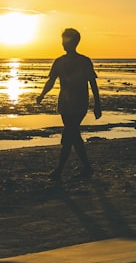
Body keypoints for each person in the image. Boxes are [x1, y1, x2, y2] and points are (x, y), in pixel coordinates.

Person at [36, 27, 102, 180]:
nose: (63, 44)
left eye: (65, 40)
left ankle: (59, 170)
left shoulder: (84, 61)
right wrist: (42, 95)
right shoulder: (59, 62)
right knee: (73, 135)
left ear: (74, 42)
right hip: (65, 104)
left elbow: (93, 83)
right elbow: (51, 80)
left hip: (80, 104)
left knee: (69, 134)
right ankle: (87, 167)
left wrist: (97, 104)